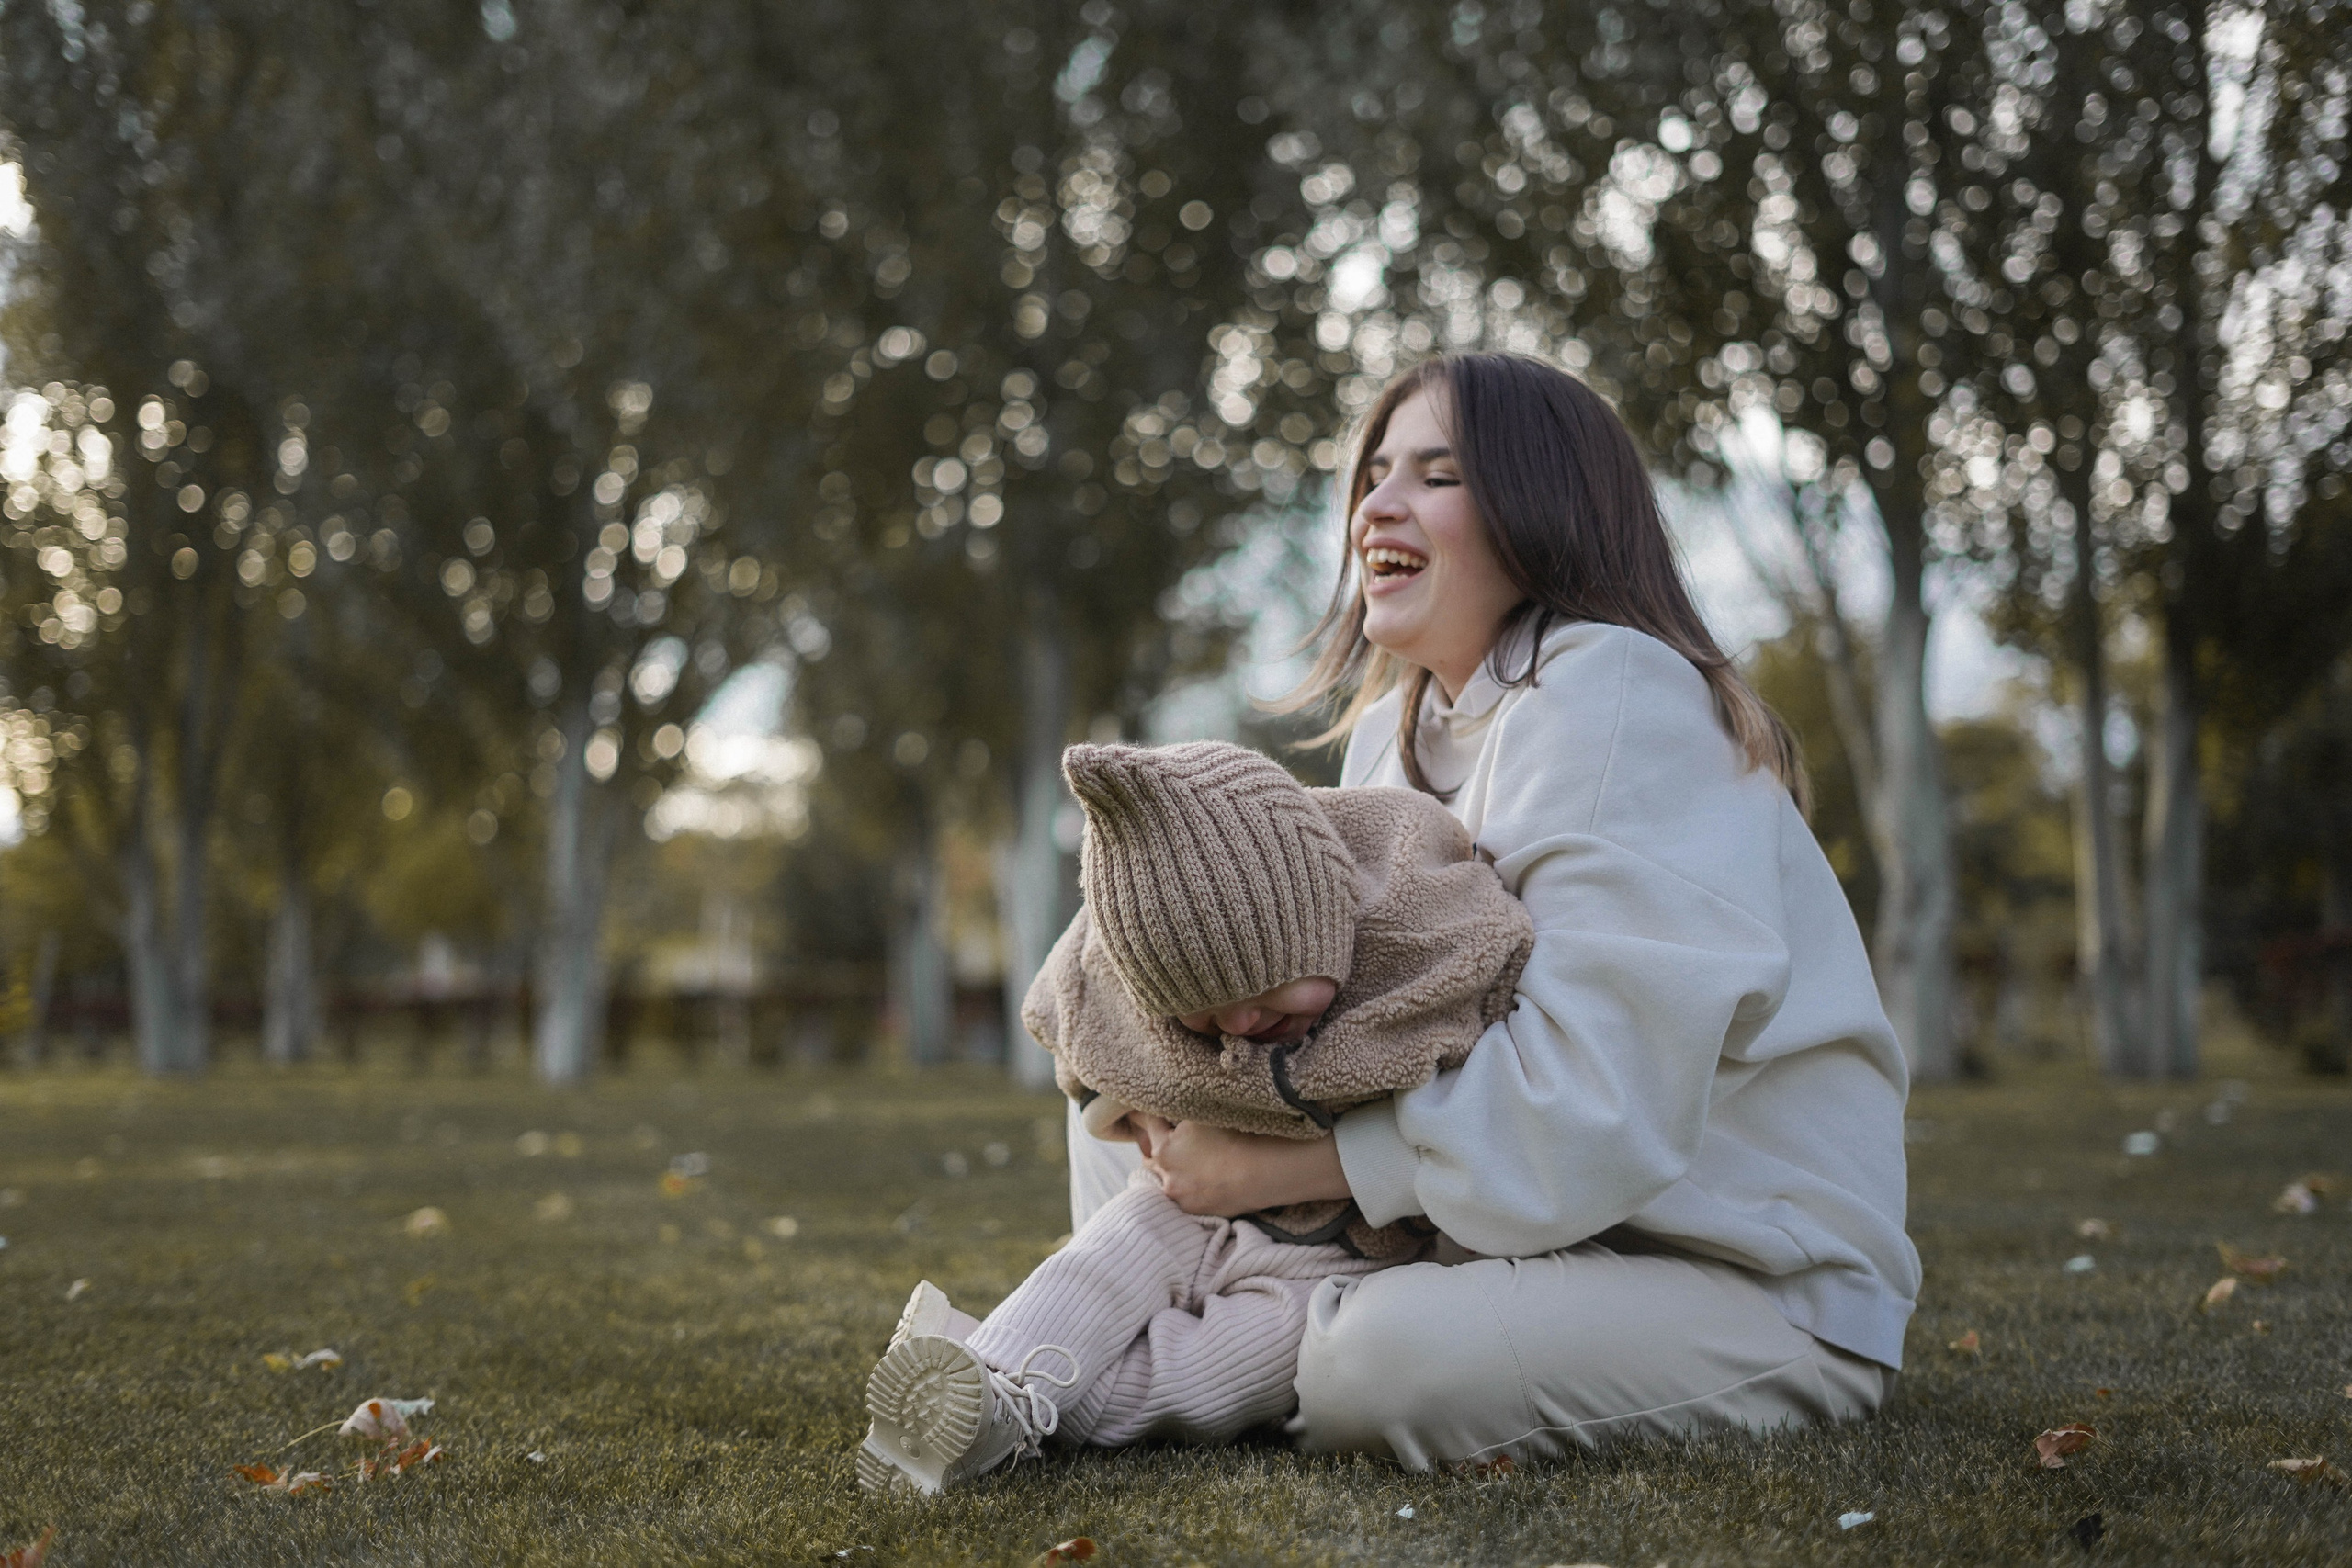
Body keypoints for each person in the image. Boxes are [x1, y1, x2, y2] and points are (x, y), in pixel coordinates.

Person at [1067, 351, 1921, 1469]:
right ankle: (1124, 1322)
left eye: (1437, 475)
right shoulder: (1393, 734)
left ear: (1542, 510)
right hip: (1499, 1242)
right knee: (1119, 984)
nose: (1376, 504)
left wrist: (1279, 1172)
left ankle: (1148, 1354)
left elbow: (1593, 1109)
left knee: (1376, 1366)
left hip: (1744, 1281)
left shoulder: (1617, 692)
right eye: (1374, 473)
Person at [856, 739, 1532, 1494]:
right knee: (1103, 1262)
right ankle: (995, 1384)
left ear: (1315, 924)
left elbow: (1489, 996)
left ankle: (978, 1371)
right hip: (1185, 1199)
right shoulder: (1132, 995)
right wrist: (1138, 1119)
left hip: (1341, 1253)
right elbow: (1080, 1022)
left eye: (1268, 994)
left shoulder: (1412, 949)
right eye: (1208, 1020)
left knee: (1221, 1370)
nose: (1243, 1024)